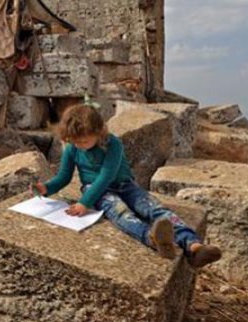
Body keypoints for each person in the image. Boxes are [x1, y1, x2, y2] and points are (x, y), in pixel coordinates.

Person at [33, 102, 222, 267]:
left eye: (85, 141)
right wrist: (47, 188)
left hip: (125, 185)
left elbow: (107, 175)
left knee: (153, 208)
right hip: (95, 189)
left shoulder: (112, 144)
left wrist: (84, 203)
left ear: (98, 132)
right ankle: (151, 238)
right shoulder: (72, 149)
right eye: (76, 142)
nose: (80, 145)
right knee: (120, 212)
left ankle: (193, 246)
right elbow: (64, 177)